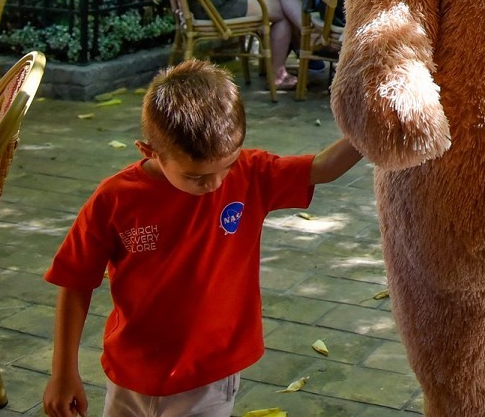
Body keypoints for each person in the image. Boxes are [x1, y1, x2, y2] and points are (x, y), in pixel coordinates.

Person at [42, 59, 362, 417]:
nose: (215, 184)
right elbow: (74, 282)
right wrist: (63, 371)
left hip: (208, 375)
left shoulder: (251, 174)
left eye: (227, 165)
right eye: (196, 177)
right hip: (130, 372)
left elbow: (323, 168)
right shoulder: (114, 199)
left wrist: (375, 127)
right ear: (149, 151)